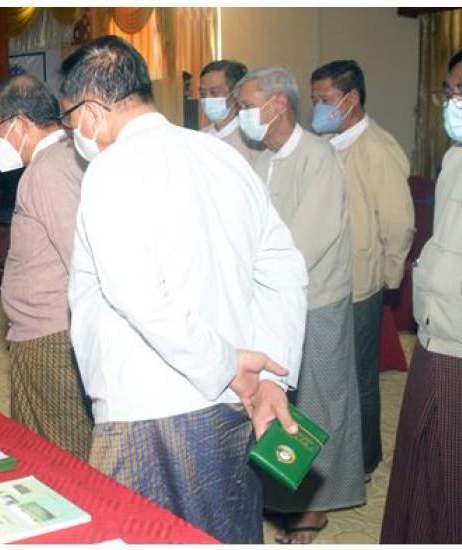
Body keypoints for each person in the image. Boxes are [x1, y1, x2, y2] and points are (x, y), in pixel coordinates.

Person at [62, 36, 309, 544]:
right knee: (226, 532)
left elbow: (138, 295)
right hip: (233, 401)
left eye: (70, 124)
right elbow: (284, 271)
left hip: (149, 412)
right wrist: (270, 378)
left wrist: (225, 365)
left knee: (143, 535)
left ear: (89, 112)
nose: (74, 137)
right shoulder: (223, 156)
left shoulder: (111, 169)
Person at [236, 67, 365, 543]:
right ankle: (283, 496)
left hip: (316, 301)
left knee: (319, 402)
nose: (241, 115)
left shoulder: (318, 157)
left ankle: (314, 506)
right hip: (270, 300)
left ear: (278, 105)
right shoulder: (260, 160)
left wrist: (260, 277)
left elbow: (308, 240)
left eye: (247, 106)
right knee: (278, 400)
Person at [310, 60, 415, 478]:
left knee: (359, 377)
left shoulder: (377, 148)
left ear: (351, 99)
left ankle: (365, 459)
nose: (318, 109)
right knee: (329, 376)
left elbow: (398, 223)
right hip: (325, 281)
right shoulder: (325, 144)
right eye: (314, 100)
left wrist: (387, 278)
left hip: (359, 282)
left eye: (325, 100)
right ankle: (333, 454)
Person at [0, 73, 93, 461]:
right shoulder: (62, 158)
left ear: (19, 123)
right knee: (37, 444)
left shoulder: (49, 170)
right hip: (40, 329)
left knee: (63, 451)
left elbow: (80, 257)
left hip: (52, 335)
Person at [380, 49, 462, 544]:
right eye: (450, 93)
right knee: (423, 452)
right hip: (436, 327)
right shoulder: (454, 157)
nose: (453, 104)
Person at [198, 60, 262, 163]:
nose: (207, 99)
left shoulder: (252, 141)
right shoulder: (199, 138)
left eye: (214, 92)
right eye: (202, 93)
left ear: (235, 93)